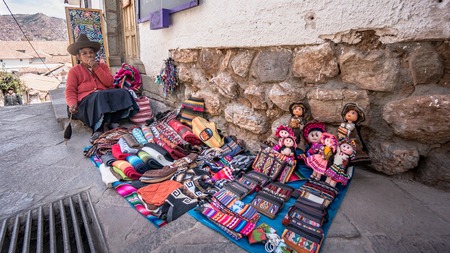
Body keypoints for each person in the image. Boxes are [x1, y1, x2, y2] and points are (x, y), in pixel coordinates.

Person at [65, 34, 139, 143]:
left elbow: (109, 83)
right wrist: (72, 103)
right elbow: (70, 90)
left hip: (102, 96)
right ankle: (98, 129)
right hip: (85, 103)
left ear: (95, 54)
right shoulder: (74, 71)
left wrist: (96, 67)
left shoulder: (102, 66)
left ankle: (114, 121)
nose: (89, 55)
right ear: (79, 57)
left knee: (123, 92)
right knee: (99, 96)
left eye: (91, 52)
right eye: (84, 53)